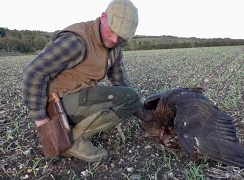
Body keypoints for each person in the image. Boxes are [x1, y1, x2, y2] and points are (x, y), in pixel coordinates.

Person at [22, 0, 150, 162]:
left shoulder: (115, 48)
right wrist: (43, 123)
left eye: (123, 37)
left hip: (76, 98)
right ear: (103, 17)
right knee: (128, 97)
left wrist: (141, 111)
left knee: (129, 97)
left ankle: (72, 131)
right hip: (56, 106)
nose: (115, 39)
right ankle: (69, 141)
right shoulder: (76, 41)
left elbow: (120, 82)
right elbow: (33, 73)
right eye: (112, 30)